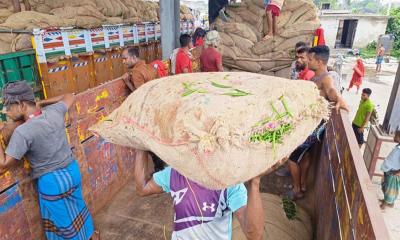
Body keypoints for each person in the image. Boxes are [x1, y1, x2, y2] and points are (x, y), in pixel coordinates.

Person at [0, 81, 98, 240]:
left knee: (65, 230)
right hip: (72, 172)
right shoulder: (54, 111)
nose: (6, 112)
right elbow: (69, 96)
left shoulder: (22, 132)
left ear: (21, 104)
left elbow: (3, 165)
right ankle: (92, 235)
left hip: (53, 183)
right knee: (79, 212)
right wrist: (41, 102)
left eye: (8, 107)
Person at [133, 150, 264, 240]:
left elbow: (254, 235)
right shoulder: (174, 173)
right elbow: (142, 188)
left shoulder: (230, 183)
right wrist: (140, 147)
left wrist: (254, 183)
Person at [286, 45, 349, 200]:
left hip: (313, 129)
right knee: (306, 156)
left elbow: (331, 91)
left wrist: (339, 99)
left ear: (320, 62)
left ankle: (297, 190)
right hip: (311, 125)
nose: (307, 60)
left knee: (292, 159)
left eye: (311, 58)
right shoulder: (316, 76)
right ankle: (303, 184)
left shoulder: (326, 78)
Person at [121, 47, 166, 172]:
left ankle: (159, 170)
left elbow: (141, 95)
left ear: (134, 57)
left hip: (148, 111)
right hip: (157, 107)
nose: (123, 62)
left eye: (125, 58)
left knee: (150, 142)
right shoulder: (151, 67)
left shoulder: (136, 73)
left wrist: (127, 83)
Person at [380, 130, 400, 210]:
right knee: (386, 186)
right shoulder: (398, 146)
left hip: (393, 172)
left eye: (396, 136)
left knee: (389, 189)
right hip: (388, 169)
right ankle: (389, 202)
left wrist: (396, 172)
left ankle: (384, 205)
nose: (394, 137)